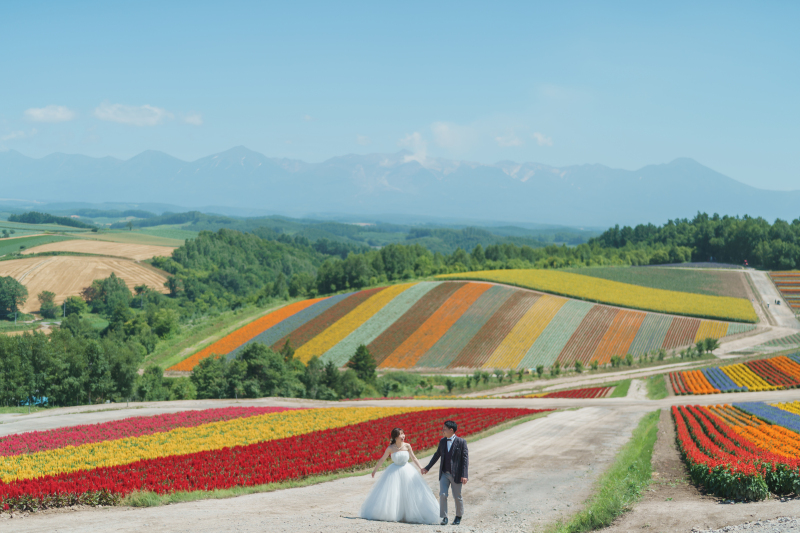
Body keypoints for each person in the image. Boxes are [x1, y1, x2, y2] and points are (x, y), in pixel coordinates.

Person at [360, 428, 440, 524]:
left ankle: (409, 514)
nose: (403, 436)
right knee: (394, 493)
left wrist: (421, 468)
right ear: (395, 437)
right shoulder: (391, 448)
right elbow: (382, 459)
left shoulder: (407, 446)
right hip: (393, 472)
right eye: (400, 435)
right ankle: (394, 514)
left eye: (403, 434)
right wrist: (374, 470)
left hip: (407, 471)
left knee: (409, 492)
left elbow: (414, 458)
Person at [421, 420, 469, 526]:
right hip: (444, 473)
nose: (442, 430)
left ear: (451, 430)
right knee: (443, 494)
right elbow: (437, 455)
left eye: (444, 429)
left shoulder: (461, 442)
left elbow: (465, 460)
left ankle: (458, 516)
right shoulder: (442, 441)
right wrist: (427, 468)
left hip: (456, 475)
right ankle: (444, 517)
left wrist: (464, 475)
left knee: (457, 496)